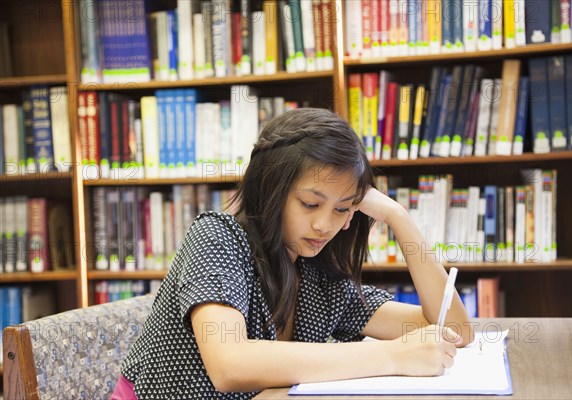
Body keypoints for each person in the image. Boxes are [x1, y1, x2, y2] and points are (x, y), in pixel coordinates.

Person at [112, 108, 474, 400]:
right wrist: (393, 355)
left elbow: (453, 329)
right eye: (310, 203)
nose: (323, 225)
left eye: (342, 209)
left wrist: (399, 217)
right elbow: (230, 365)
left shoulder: (320, 274)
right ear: (272, 189)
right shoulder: (218, 237)